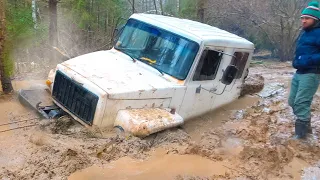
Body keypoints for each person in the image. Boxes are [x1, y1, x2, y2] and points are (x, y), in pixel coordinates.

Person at [288, 1, 320, 139]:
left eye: (307, 18)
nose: (303, 21)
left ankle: (301, 136)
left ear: (315, 19)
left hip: (312, 72)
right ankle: (307, 127)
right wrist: (296, 61)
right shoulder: (305, 33)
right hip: (300, 71)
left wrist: (306, 60)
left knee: (301, 102)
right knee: (292, 101)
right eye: (302, 18)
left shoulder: (318, 32)